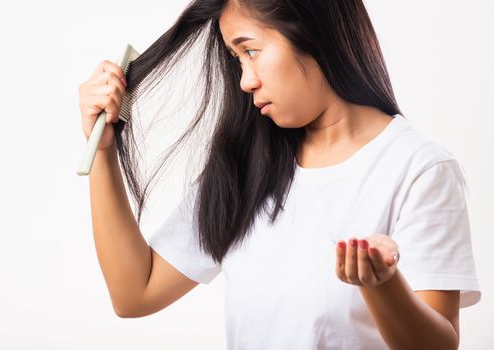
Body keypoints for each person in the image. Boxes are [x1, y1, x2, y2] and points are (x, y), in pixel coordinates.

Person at [78, 0, 481, 349]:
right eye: (236, 59)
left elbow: (437, 345)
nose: (245, 80)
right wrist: (103, 149)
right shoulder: (247, 166)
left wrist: (381, 285)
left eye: (250, 51)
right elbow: (134, 294)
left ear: (314, 32)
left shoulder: (419, 169)